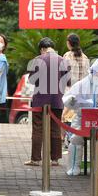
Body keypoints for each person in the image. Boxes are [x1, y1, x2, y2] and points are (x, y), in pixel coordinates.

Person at [63, 58, 98, 176]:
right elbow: (67, 100)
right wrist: (72, 100)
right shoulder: (80, 85)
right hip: (81, 119)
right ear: (91, 72)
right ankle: (74, 166)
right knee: (75, 138)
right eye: (97, 74)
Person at [25, 37, 69, 166]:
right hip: (57, 99)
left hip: (40, 100)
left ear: (42, 49)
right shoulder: (63, 60)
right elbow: (67, 81)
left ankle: (35, 159)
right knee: (55, 128)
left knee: (38, 129)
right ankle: (54, 159)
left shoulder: (38, 60)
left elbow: (32, 80)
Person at [62, 33, 90, 147]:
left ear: (69, 43)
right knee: (78, 117)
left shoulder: (66, 56)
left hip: (69, 91)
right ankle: (76, 139)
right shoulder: (85, 58)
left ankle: (68, 140)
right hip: (82, 93)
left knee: (66, 116)